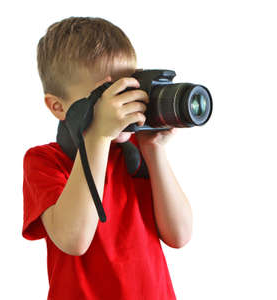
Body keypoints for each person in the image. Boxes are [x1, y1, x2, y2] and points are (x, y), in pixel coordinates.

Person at [22, 16, 193, 299]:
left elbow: (180, 234)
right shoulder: (45, 161)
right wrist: (97, 137)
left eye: (129, 89)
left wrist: (154, 150)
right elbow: (73, 240)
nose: (121, 107)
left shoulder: (137, 153)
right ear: (58, 106)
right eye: (106, 96)